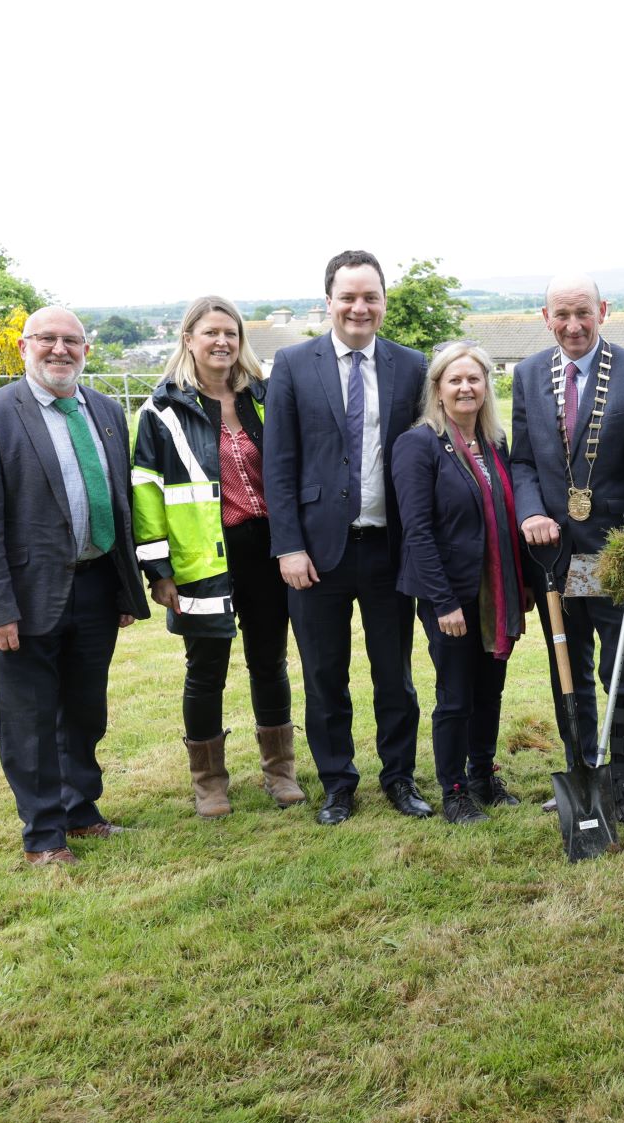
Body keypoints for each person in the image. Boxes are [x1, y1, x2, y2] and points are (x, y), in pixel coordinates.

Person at [0, 306, 151, 865]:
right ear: (24, 346)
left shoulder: (107, 411)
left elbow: (121, 507)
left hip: (95, 589)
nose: (60, 350)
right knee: (30, 719)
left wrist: (122, 589)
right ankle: (43, 836)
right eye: (47, 340)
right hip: (23, 597)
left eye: (72, 341)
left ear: (85, 348)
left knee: (86, 712)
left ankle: (81, 813)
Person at [262, 250, 428, 825]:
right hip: (315, 554)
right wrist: (288, 545)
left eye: (371, 296)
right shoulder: (290, 363)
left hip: (388, 548)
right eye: (349, 297)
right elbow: (278, 464)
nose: (360, 307)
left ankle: (399, 777)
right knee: (324, 675)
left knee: (395, 674)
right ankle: (338, 782)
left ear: (383, 300)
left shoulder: (412, 367)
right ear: (328, 301)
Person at [130, 295, 303, 818]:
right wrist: (159, 571)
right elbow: (147, 492)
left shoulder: (265, 396)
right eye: (210, 333)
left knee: (269, 663)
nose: (222, 341)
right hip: (201, 559)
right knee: (205, 670)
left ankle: (281, 771)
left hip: (266, 552)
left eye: (230, 332)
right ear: (188, 340)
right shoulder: (162, 410)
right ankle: (209, 781)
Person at [511, 274, 624, 823]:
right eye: (562, 315)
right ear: (544, 317)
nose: (573, 326)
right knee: (566, 669)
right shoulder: (528, 375)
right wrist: (530, 511)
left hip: (614, 553)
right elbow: (523, 460)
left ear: (603, 310)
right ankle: (582, 775)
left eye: (583, 313)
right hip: (554, 554)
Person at [393, 343, 529, 824]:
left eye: (474, 379)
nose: (466, 387)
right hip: (449, 595)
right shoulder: (418, 444)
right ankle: (453, 790)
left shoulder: (495, 445)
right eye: (455, 380)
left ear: (487, 386)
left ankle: (481, 775)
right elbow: (418, 531)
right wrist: (443, 601)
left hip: (496, 592)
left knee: (490, 689)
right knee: (455, 695)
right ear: (438, 389)